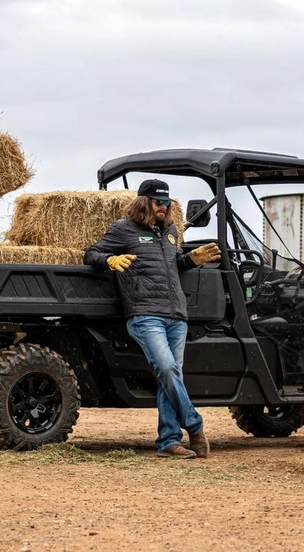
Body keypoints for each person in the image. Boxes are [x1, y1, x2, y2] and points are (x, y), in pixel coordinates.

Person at [85, 179, 221, 458]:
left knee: (169, 377)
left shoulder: (170, 232)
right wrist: (108, 261)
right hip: (145, 315)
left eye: (168, 203)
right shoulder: (124, 230)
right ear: (144, 202)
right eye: (159, 202)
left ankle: (169, 441)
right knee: (168, 369)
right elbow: (91, 253)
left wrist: (191, 259)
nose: (164, 207)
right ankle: (194, 426)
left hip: (176, 315)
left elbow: (174, 265)